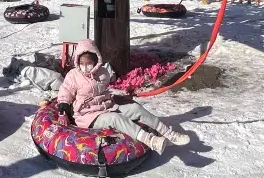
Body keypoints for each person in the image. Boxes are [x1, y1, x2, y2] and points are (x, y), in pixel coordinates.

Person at [56, 39, 189, 154]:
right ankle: (150, 140)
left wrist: (121, 96)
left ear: (96, 60)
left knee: (135, 108)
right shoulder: (73, 76)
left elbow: (105, 91)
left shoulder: (103, 73)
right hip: (87, 115)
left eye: (88, 63)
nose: (85, 67)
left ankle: (168, 133)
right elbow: (65, 93)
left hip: (105, 106)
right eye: (82, 63)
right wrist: (63, 112)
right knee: (115, 118)